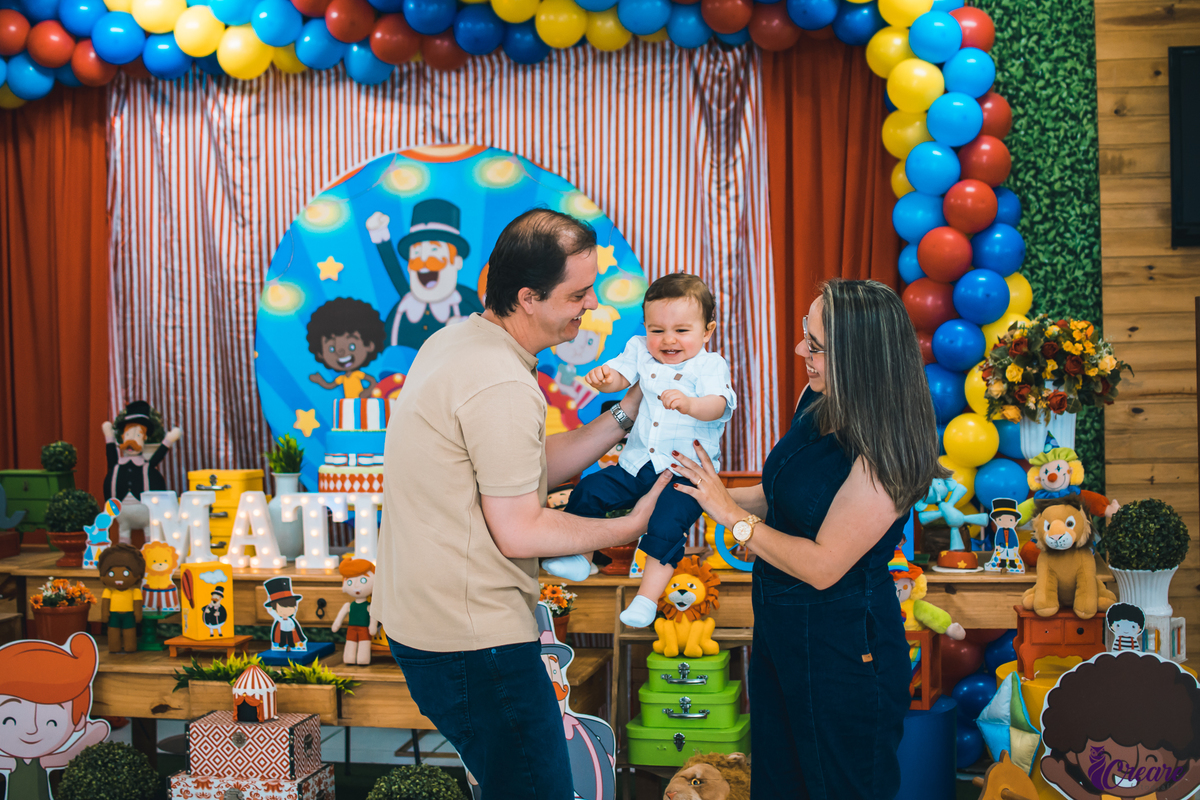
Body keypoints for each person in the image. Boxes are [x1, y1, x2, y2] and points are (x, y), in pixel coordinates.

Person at [374, 208, 670, 798]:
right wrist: (629, 525)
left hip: (429, 626)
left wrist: (628, 410)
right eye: (577, 294)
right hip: (472, 641)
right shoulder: (501, 382)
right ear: (528, 297)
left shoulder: (460, 339)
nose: (588, 306)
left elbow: (522, 466)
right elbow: (519, 528)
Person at [670, 279, 946, 799]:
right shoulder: (817, 401)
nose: (801, 351)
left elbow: (823, 566)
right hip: (783, 631)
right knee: (779, 783)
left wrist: (730, 516)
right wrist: (697, 490)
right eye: (804, 336)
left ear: (858, 356)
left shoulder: (888, 449)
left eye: (815, 345)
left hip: (845, 648)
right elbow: (779, 493)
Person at [542, 273, 736, 628]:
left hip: (685, 474)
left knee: (664, 527)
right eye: (657, 330)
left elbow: (719, 405)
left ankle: (646, 599)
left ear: (707, 331)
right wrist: (606, 380)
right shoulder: (640, 351)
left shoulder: (710, 365)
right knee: (588, 490)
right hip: (636, 463)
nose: (668, 340)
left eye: (681, 330)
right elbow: (620, 375)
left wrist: (690, 405)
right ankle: (580, 557)